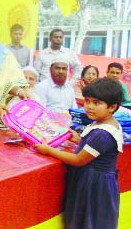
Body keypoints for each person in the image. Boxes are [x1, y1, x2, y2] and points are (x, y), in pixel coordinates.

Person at [34, 77, 124, 229]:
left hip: (94, 184)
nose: (89, 107)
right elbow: (95, 149)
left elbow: (78, 160)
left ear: (112, 107)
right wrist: (78, 140)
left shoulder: (102, 133)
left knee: (91, 220)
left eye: (97, 103)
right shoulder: (103, 122)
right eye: (87, 101)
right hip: (96, 180)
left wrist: (49, 150)